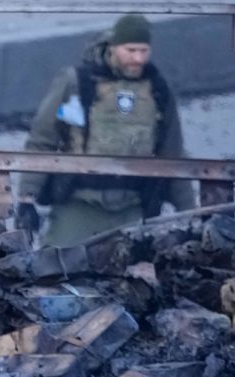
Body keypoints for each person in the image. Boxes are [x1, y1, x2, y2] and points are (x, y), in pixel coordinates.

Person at [16, 14, 195, 246]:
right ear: (113, 47)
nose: (138, 59)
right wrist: (27, 198)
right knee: (57, 268)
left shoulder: (158, 90)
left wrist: (190, 214)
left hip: (133, 208)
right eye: (131, 50)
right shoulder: (77, 83)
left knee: (136, 276)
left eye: (144, 51)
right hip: (79, 204)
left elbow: (173, 155)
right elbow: (43, 140)